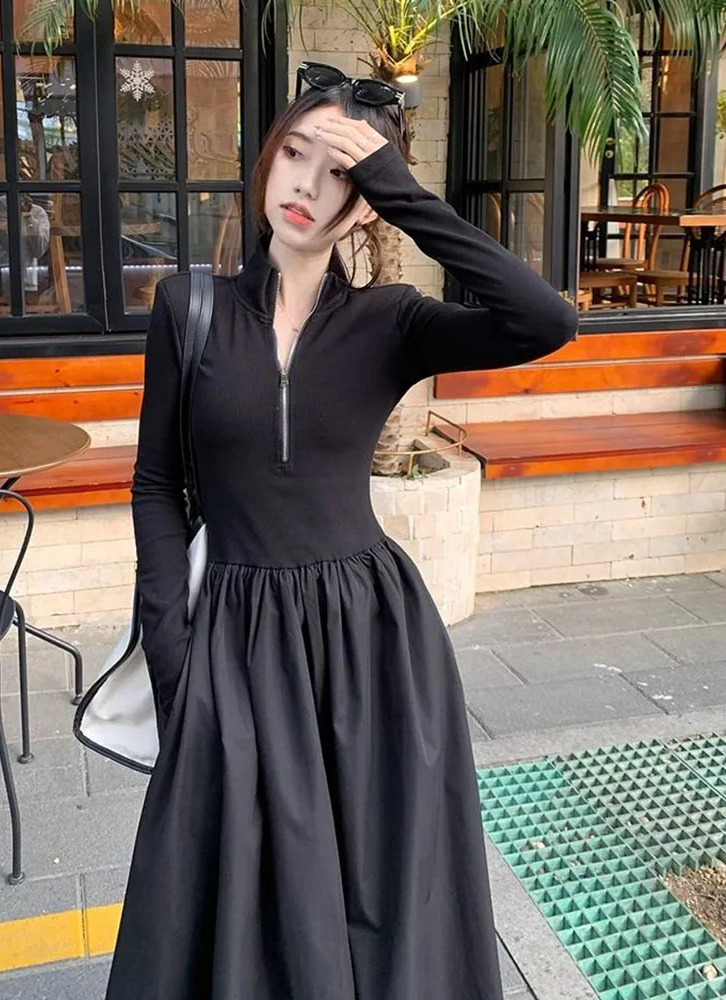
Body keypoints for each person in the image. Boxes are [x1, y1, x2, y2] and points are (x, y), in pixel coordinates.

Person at [105, 62, 578, 1000]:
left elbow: (545, 319)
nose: (306, 187)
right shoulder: (188, 311)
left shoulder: (389, 321)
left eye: (340, 175)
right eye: (294, 154)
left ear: (365, 208)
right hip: (233, 640)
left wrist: (400, 191)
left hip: (371, 646)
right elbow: (157, 486)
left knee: (381, 898)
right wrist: (173, 661)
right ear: (267, 158)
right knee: (236, 902)